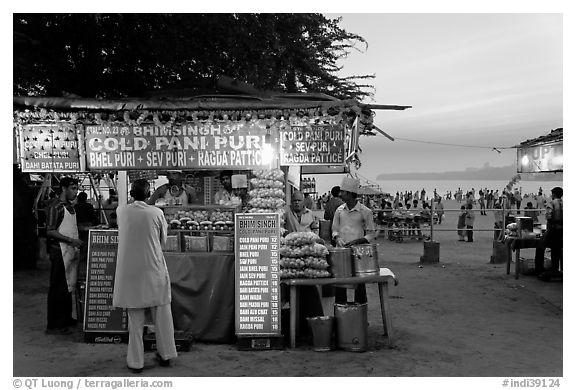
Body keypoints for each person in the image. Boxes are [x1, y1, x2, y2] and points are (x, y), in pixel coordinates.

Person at [113, 179, 177, 374]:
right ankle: (165, 355)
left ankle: (136, 362)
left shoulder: (121, 211)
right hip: (153, 268)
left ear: (131, 193)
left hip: (130, 273)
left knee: (135, 322)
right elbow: (163, 241)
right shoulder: (156, 213)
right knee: (162, 316)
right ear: (149, 193)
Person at [45, 177, 83, 334]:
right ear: (64, 188)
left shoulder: (70, 207)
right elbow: (50, 231)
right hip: (59, 251)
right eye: (73, 188)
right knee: (58, 287)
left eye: (76, 188)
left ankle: (66, 318)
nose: (76, 191)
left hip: (70, 251)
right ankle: (54, 325)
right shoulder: (56, 207)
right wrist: (70, 240)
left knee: (69, 286)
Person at [332, 177, 376, 304]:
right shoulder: (339, 210)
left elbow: (371, 234)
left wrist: (358, 241)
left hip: (359, 253)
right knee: (340, 283)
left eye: (343, 192)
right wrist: (337, 237)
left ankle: (360, 313)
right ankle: (340, 314)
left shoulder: (365, 212)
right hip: (341, 252)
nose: (340, 194)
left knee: (359, 284)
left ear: (350, 194)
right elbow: (334, 229)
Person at [537, 187, 563, 281]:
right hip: (562, 232)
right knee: (556, 249)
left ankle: (539, 269)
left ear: (554, 194)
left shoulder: (551, 203)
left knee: (540, 246)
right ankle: (555, 268)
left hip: (554, 230)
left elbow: (549, 216)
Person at [74, 191, 98, 279]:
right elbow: (93, 217)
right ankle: (87, 272)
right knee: (87, 249)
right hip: (88, 226)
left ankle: (78, 272)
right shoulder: (89, 206)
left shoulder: (75, 207)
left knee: (78, 249)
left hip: (78, 227)